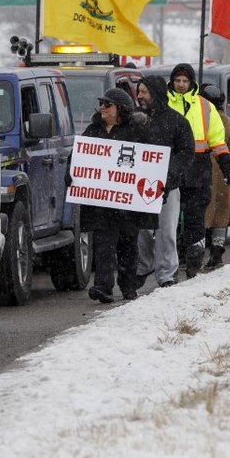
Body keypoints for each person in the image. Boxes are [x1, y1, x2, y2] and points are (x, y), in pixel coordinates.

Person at [80, 88, 153, 303]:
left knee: (128, 246)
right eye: (102, 103)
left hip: (128, 204)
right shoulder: (93, 130)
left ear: (120, 109)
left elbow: (148, 161)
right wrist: (71, 174)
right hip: (102, 204)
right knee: (103, 246)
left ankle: (129, 287)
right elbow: (80, 157)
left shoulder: (136, 132)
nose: (102, 107)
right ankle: (103, 287)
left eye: (107, 104)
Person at [166, 63, 230, 278]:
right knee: (170, 221)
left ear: (192, 83)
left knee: (195, 218)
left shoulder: (206, 106)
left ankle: (194, 261)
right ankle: (171, 264)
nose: (181, 85)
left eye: (185, 81)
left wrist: (225, 163)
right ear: (172, 82)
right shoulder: (163, 104)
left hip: (198, 169)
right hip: (170, 169)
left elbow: (217, 139)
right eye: (177, 80)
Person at [135, 76, 194, 288]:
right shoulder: (134, 120)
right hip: (137, 187)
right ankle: (143, 267)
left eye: (144, 92)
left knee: (166, 231)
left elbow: (186, 153)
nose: (139, 96)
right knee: (141, 231)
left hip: (167, 187)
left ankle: (167, 274)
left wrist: (169, 174)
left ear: (156, 94)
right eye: (138, 92)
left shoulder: (177, 122)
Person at [200, 84, 230, 271]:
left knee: (205, 213)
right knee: (220, 214)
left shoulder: (211, 119)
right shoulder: (226, 120)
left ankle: (203, 252)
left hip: (211, 170)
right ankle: (217, 250)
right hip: (223, 172)